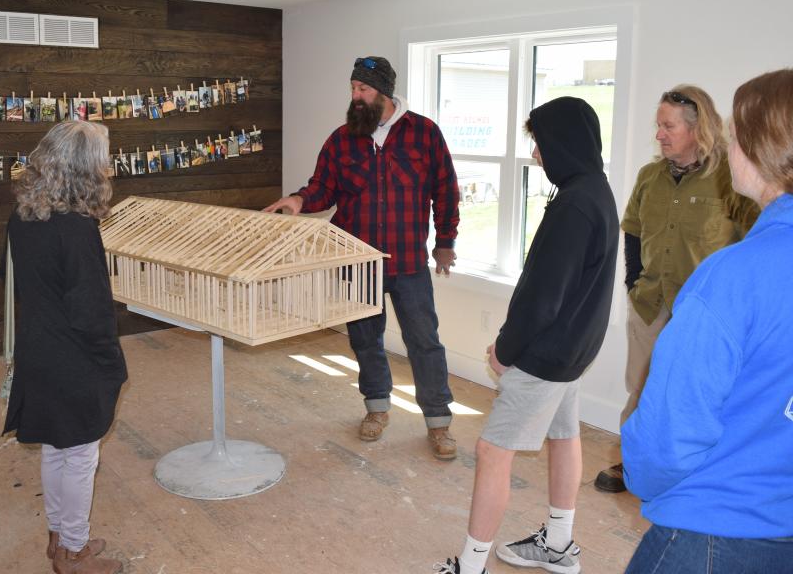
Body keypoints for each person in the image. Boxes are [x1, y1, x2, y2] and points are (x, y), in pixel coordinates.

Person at [435, 97, 618, 574]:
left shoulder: (576, 204)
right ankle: (558, 543)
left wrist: (506, 350)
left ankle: (470, 567)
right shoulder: (594, 189)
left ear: (561, 141)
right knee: (565, 436)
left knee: (492, 451)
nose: (536, 154)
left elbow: (544, 298)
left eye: (538, 143)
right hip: (574, 351)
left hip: (545, 355)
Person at [622, 69, 793, 572]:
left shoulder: (733, 276)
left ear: (767, 149)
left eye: (738, 133)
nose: (730, 144)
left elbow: (667, 434)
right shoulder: (652, 178)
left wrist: (648, 479)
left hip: (714, 530)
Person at [263, 56, 461, 459]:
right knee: (366, 341)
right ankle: (376, 409)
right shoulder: (342, 139)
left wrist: (445, 240)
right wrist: (299, 200)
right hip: (358, 261)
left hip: (407, 262)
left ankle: (438, 422)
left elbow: (446, 190)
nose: (355, 96)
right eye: (353, 88)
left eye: (363, 89)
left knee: (424, 342)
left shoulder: (425, 134)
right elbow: (324, 188)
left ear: (384, 93)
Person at [595, 86, 759, 493]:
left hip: (704, 312)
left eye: (668, 126)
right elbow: (631, 228)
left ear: (697, 127)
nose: (659, 135)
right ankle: (630, 464)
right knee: (641, 390)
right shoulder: (650, 176)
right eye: (659, 125)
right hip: (650, 303)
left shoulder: (730, 178)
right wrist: (634, 281)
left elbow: (752, 242)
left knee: (699, 395)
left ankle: (696, 474)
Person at [0, 120, 126, 574]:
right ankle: (72, 554)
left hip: (39, 349)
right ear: (85, 169)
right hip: (73, 357)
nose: (109, 166)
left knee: (58, 448)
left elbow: (10, 278)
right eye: (104, 158)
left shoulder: (23, 216)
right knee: (80, 455)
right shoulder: (76, 228)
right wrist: (112, 363)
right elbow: (92, 312)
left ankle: (60, 538)